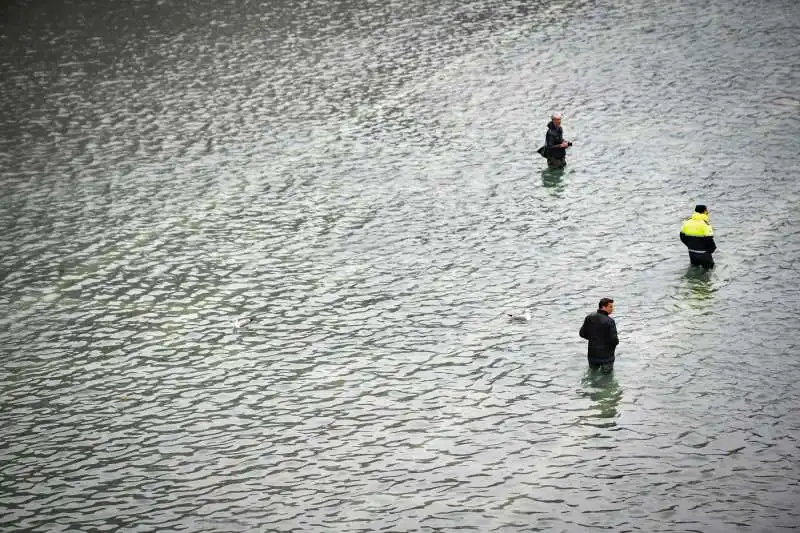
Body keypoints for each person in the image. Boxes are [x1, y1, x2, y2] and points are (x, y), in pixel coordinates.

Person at [579, 298, 619, 373]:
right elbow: (614, 340)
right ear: (603, 307)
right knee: (607, 378)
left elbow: (582, 334)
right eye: (610, 307)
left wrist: (594, 338)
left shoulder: (589, 317)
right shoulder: (610, 321)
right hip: (606, 357)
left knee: (593, 375)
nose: (612, 309)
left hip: (592, 355)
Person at [679, 205, 717, 269]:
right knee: (709, 272)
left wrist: (690, 246)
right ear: (704, 211)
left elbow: (682, 236)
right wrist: (710, 251)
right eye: (706, 210)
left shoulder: (687, 222)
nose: (707, 212)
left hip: (692, 253)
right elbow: (709, 240)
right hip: (704, 254)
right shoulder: (705, 224)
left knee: (694, 269)